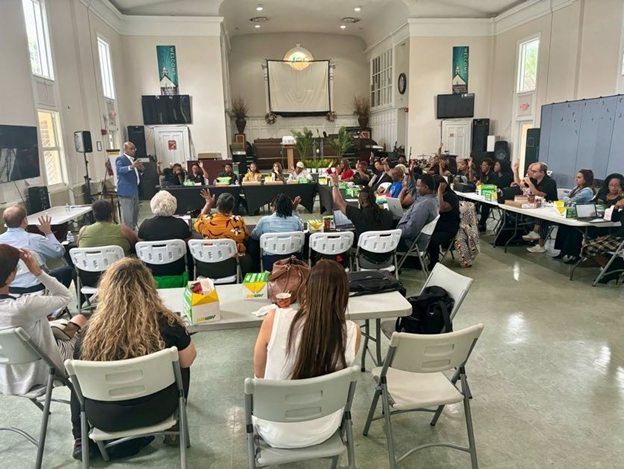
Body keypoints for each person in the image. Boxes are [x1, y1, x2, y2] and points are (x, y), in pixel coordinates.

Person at [69, 258, 196, 459]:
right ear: (149, 287)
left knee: (77, 378)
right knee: (180, 365)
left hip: (104, 417)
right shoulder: (168, 323)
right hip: (159, 409)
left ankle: (80, 438)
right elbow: (188, 361)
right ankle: (175, 430)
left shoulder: (89, 333)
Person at [253, 259, 361, 449]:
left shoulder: (275, 318)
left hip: (275, 429)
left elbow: (259, 376)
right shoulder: (353, 332)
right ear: (344, 294)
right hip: (324, 428)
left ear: (306, 288)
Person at [0, 245, 87, 397]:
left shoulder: (21, 306)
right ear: (9, 277)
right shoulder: (24, 305)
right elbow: (65, 296)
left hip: (7, 378)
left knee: (64, 324)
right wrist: (37, 272)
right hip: (44, 371)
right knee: (84, 326)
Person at [0, 206, 73, 293]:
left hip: (9, 288)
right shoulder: (36, 239)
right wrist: (48, 232)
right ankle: (59, 298)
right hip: (37, 285)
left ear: (6, 223)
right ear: (25, 220)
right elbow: (59, 252)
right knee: (68, 270)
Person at [330, 173, 393, 268]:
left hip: (367, 261)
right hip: (388, 260)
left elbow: (338, 202)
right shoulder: (388, 214)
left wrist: (335, 184)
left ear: (361, 202)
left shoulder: (358, 215)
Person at [554, 171, 611, 263]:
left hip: (583, 214)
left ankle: (574, 254)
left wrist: (567, 199)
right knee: (563, 225)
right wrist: (567, 199)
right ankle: (563, 250)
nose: (576, 179)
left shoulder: (587, 190)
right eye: (576, 177)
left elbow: (571, 200)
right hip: (573, 213)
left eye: (579, 177)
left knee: (574, 229)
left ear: (586, 179)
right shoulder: (576, 188)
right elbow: (566, 199)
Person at [138, 191, 192, 286]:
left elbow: (140, 246)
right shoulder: (181, 224)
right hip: (176, 270)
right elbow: (189, 243)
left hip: (152, 272)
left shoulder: (145, 225)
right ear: (173, 205)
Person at [193, 190, 253, 275]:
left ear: (217, 206)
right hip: (234, 265)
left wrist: (208, 203)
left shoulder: (206, 220)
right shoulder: (238, 220)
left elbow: (197, 222)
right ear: (232, 207)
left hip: (207, 266)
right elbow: (246, 236)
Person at [516, 162, 558, 253]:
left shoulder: (549, 182)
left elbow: (540, 194)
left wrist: (530, 183)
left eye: (534, 171)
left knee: (542, 219)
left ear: (542, 172)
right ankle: (535, 237)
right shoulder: (534, 180)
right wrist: (515, 171)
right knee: (527, 218)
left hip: (551, 208)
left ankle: (539, 242)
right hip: (537, 206)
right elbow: (520, 184)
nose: (532, 173)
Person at [580, 197, 624, 283]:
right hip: (617, 236)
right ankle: (613, 268)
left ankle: (610, 271)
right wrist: (616, 208)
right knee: (587, 245)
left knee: (589, 248)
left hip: (620, 239)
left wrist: (609, 236)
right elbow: (614, 219)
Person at [396, 173, 439, 253]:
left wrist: (396, 233)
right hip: (417, 240)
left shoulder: (424, 206)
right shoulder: (431, 199)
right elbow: (413, 191)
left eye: (418, 186)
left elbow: (410, 231)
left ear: (426, 187)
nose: (416, 188)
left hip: (409, 242)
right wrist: (411, 176)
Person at [428, 175, 460, 271]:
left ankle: (434, 262)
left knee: (432, 240)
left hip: (448, 227)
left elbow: (442, 208)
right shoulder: (434, 195)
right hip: (437, 224)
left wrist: (440, 192)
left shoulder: (452, 197)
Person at [116, 141, 144, 230]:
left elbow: (136, 174)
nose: (133, 151)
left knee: (136, 211)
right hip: (126, 191)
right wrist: (131, 166)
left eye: (134, 149)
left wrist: (141, 169)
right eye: (131, 149)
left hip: (135, 189)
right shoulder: (120, 159)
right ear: (125, 149)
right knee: (128, 213)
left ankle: (134, 227)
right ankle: (128, 230)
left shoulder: (133, 159)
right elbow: (120, 170)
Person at [476, 158, 495, 232]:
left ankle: (482, 223)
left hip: (491, 197)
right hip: (482, 195)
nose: (482, 167)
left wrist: (483, 185)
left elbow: (493, 186)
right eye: (482, 165)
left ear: (489, 166)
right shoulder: (482, 175)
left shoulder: (493, 175)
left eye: (484, 165)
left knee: (485, 205)